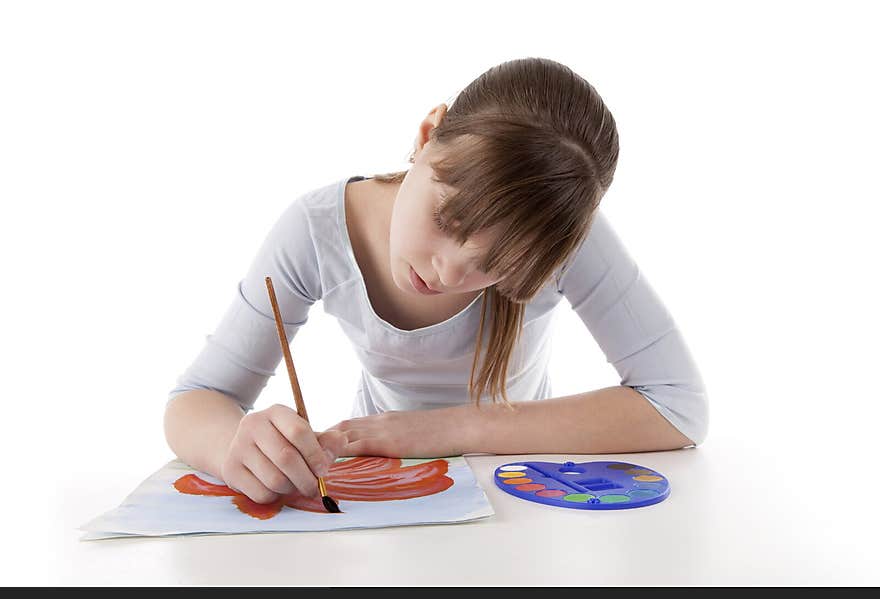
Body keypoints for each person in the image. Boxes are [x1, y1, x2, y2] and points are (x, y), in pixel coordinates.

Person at [163, 57, 708, 506]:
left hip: (519, 494)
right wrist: (234, 445)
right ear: (427, 136)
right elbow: (197, 398)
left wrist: (445, 431)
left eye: (497, 263)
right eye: (447, 220)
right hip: (382, 495)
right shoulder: (316, 228)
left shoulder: (560, 235)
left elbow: (679, 405)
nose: (448, 273)